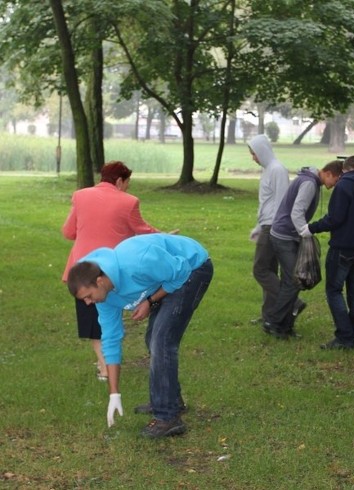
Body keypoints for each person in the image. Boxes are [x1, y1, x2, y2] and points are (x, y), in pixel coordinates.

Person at [66, 234, 213, 438]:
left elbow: (181, 271)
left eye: (88, 296)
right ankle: (170, 400)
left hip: (193, 267)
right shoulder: (105, 299)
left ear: (99, 281)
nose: (88, 303)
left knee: (161, 340)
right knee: (153, 338)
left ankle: (168, 418)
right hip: (166, 276)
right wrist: (114, 393)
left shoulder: (138, 262)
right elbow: (111, 340)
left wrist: (151, 301)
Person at [62, 161, 165, 382]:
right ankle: (117, 361)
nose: (128, 188)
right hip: (115, 269)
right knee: (112, 312)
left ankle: (104, 366)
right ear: (120, 181)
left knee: (92, 319)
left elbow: (68, 231)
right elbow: (143, 231)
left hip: (82, 268)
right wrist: (165, 236)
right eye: (127, 183)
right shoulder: (129, 202)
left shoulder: (80, 196)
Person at [263, 161, 343, 339]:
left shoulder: (310, 180)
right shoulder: (309, 184)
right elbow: (296, 212)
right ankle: (273, 322)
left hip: (288, 235)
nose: (334, 186)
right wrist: (305, 233)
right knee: (294, 280)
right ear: (328, 173)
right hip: (284, 236)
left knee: (289, 281)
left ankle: (284, 326)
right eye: (335, 181)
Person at [306, 156, 354, 349]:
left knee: (334, 290)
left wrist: (311, 228)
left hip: (343, 246)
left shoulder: (344, 186)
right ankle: (352, 334)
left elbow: (334, 219)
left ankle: (344, 336)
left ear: (345, 170)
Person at [247, 134, 292, 324]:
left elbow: (282, 201)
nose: (253, 158)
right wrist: (258, 225)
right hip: (265, 224)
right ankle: (270, 316)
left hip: (273, 227)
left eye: (254, 153)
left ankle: (292, 302)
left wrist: (272, 228)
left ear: (262, 151)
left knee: (260, 270)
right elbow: (266, 202)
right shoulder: (268, 170)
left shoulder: (277, 170)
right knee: (270, 271)